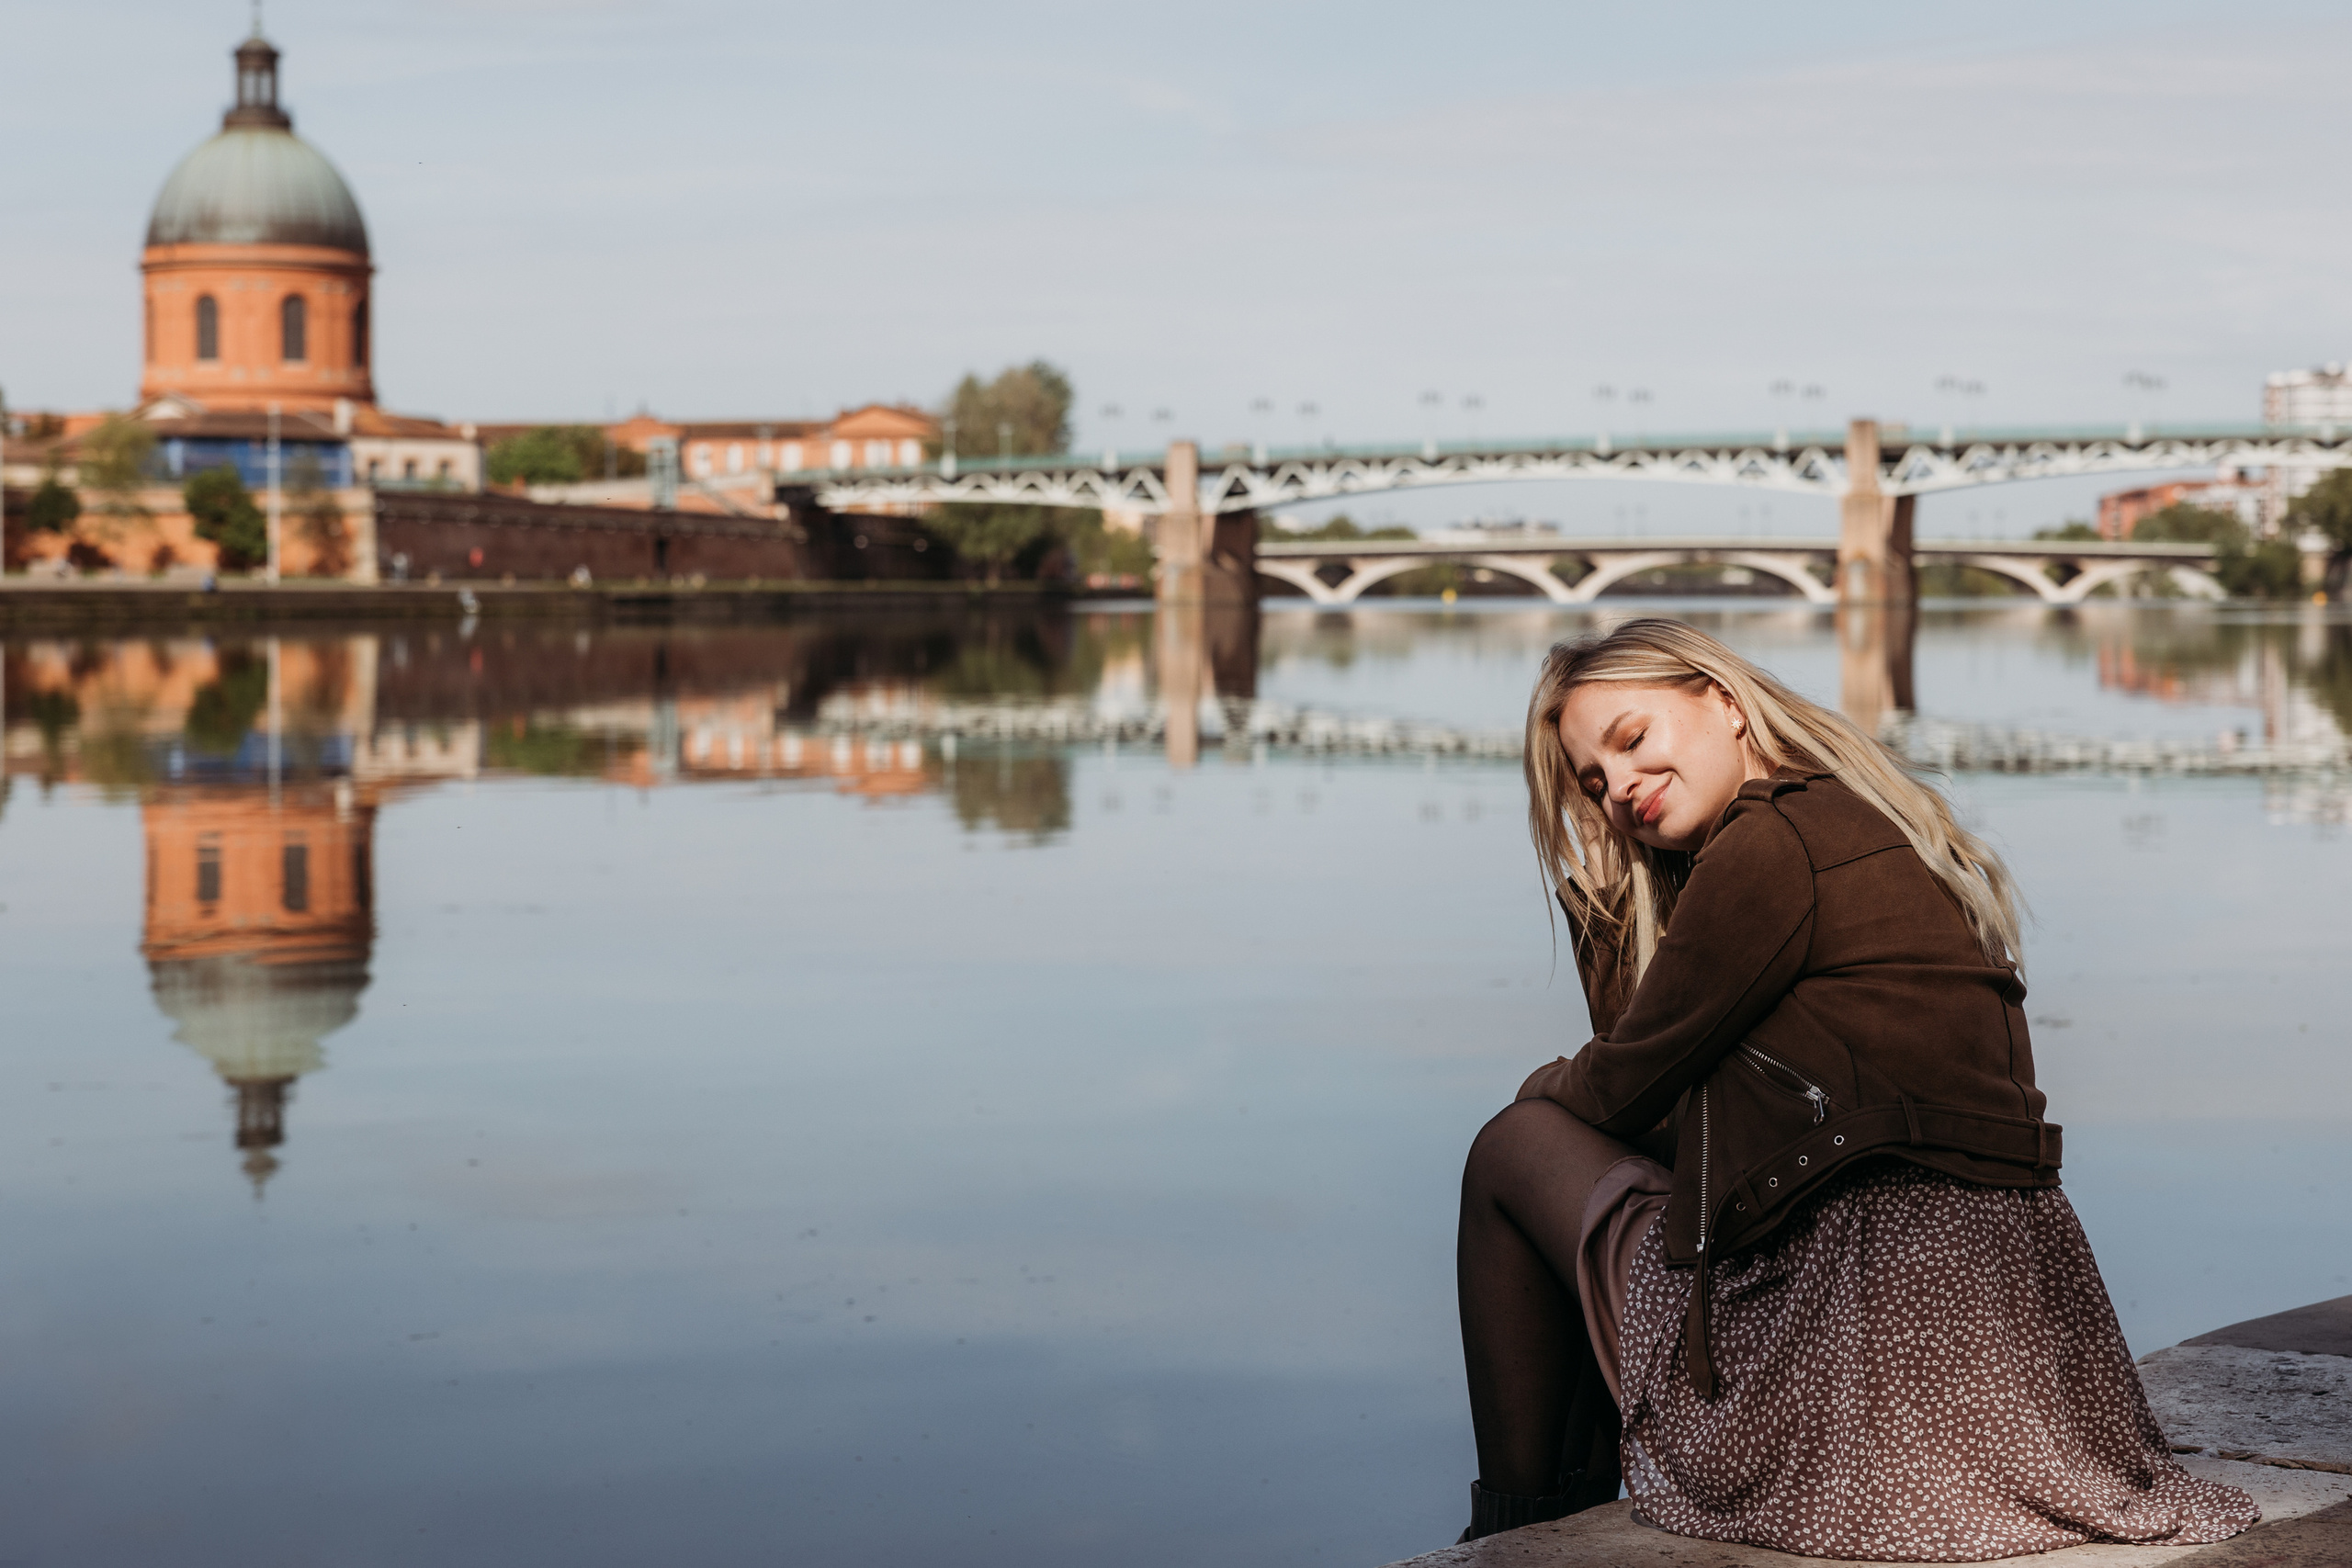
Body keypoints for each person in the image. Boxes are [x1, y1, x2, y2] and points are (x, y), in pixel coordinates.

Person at [1453, 617, 2256, 1559]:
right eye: (1592, 784)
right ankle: (1540, 1522)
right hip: (1998, 1328)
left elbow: (1618, 1088)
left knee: (1512, 1149)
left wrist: (1560, 1022)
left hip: (1863, 1342)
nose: (1618, 788)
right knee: (1615, 1174)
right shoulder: (1874, 818)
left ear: (1720, 700)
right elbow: (1681, 1118)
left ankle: (1511, 1538)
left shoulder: (1764, 849)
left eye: (1630, 741)